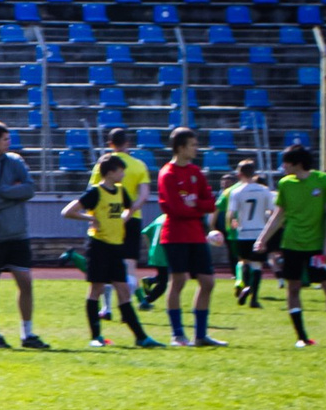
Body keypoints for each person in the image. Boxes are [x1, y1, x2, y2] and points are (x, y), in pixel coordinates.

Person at [63, 153, 161, 348]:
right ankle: (96, 337)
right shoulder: (95, 192)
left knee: (124, 290)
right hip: (98, 246)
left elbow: (130, 208)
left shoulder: (120, 191)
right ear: (110, 172)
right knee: (96, 289)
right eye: (120, 170)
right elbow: (68, 212)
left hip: (116, 247)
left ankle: (141, 337)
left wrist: (122, 219)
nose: (123, 174)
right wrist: (91, 219)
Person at [0, 121, 48, 350]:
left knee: (25, 283)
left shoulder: (15, 161)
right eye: (5, 139)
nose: (9, 143)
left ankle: (28, 334)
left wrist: (1, 190)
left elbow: (29, 189)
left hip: (17, 234)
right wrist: (13, 192)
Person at [155, 126, 222, 347]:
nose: (196, 148)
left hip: (196, 235)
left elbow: (211, 203)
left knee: (208, 282)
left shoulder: (196, 172)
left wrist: (194, 205)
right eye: (193, 145)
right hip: (175, 235)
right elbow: (174, 209)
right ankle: (177, 335)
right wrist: (197, 207)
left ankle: (200, 335)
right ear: (181, 147)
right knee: (179, 281)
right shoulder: (168, 174)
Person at [253, 142, 324, 346]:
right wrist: (262, 239)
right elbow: (279, 215)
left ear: (298, 163)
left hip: (316, 245)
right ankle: (301, 337)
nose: (283, 166)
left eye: (286, 162)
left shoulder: (322, 181)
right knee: (293, 288)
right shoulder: (285, 184)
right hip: (292, 243)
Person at [107, 126, 153, 305]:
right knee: (130, 264)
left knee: (108, 262)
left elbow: (94, 190)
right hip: (133, 218)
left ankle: (107, 307)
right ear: (127, 143)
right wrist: (131, 210)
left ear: (110, 144)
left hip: (109, 218)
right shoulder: (139, 165)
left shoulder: (104, 164)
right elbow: (144, 195)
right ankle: (126, 304)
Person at [223, 158, 274, 308]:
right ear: (254, 172)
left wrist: (229, 227)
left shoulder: (236, 191)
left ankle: (245, 286)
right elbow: (271, 212)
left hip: (243, 232)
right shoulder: (264, 191)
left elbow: (230, 214)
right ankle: (254, 298)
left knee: (244, 261)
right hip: (260, 232)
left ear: (239, 174)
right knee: (257, 265)